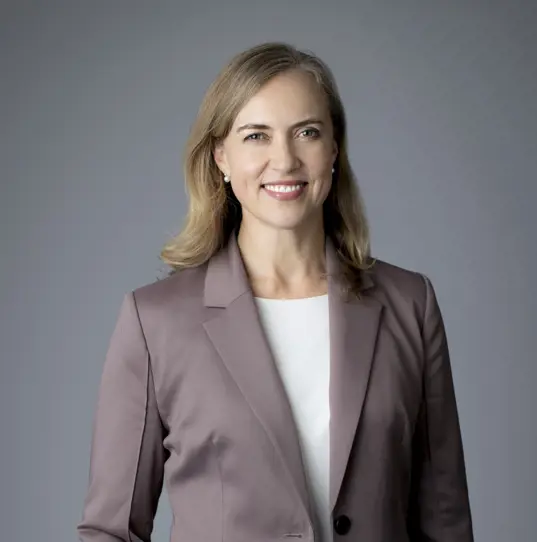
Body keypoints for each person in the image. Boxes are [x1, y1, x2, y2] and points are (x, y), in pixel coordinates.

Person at [77, 42, 473, 542]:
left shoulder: (409, 305)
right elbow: (111, 531)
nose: (284, 160)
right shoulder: (155, 322)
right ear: (221, 156)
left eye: (307, 132)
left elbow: (445, 522)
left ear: (334, 149)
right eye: (256, 136)